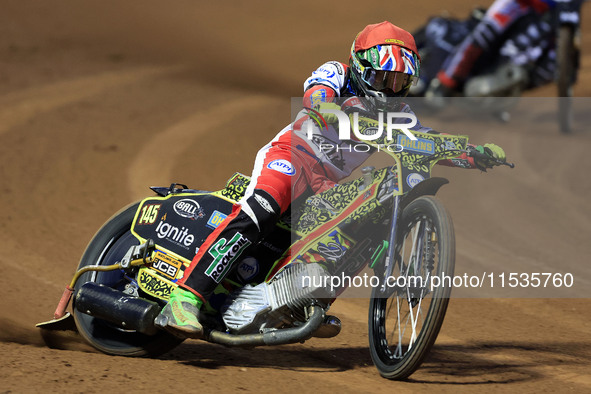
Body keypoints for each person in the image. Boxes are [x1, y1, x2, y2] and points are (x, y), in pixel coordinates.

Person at [155, 21, 507, 338]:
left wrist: (471, 153)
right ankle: (185, 297)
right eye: (384, 78)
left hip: (327, 183)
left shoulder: (401, 113)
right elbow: (316, 99)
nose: (391, 88)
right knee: (265, 210)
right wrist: (332, 108)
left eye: (400, 81)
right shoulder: (336, 72)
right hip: (291, 157)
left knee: (356, 231)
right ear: (361, 68)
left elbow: (425, 142)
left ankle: (301, 300)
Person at [426, 0, 559, 97]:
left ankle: (502, 92)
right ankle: (445, 82)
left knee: (550, 64)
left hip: (547, 16)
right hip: (519, 4)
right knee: (484, 35)